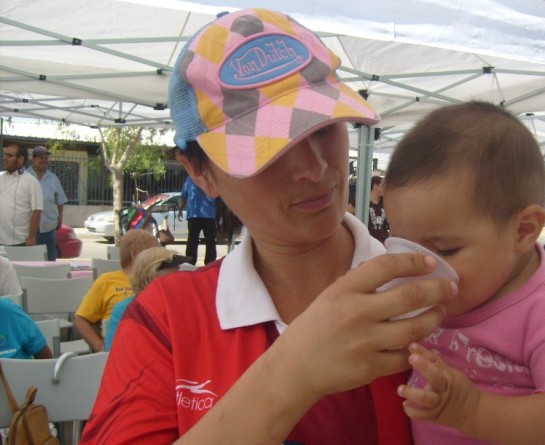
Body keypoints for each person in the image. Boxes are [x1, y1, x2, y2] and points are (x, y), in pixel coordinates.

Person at [81, 9, 453, 444]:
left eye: (323, 128)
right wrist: (292, 374)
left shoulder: (429, 289)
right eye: (269, 148)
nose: (315, 169)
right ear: (201, 173)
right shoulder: (169, 319)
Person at [385, 101, 545, 444]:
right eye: (408, 247)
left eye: (446, 250)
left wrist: (470, 410)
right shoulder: (449, 291)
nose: (424, 268)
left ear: (523, 230)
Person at [74, 229, 159, 353]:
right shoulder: (107, 281)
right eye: (152, 252)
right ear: (135, 254)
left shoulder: (158, 280)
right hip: (117, 349)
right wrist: (99, 346)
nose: (157, 256)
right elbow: (81, 320)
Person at [104, 247, 192, 351]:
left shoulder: (184, 306)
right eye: (174, 268)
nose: (179, 273)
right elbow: (113, 353)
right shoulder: (126, 310)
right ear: (155, 276)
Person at [28, 146, 67, 261]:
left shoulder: (53, 178)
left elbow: (60, 201)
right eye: (41, 158)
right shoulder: (25, 176)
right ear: (34, 159)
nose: (44, 160)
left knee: (50, 260)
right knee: (31, 261)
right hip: (29, 229)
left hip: (49, 228)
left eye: (46, 158)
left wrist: (60, 219)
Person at [0, 144, 43, 247]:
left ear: (20, 159)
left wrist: (31, 237)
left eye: (9, 156)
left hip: (20, 241)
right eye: (5, 155)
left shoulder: (31, 182)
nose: (5, 158)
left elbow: (37, 210)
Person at [177, 176, 217, 265]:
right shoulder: (211, 178)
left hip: (194, 214)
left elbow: (183, 197)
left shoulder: (190, 179)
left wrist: (180, 210)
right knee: (210, 241)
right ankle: (210, 262)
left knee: (192, 240)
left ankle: (190, 261)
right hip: (209, 214)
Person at [368, 175, 390, 243]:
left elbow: (390, 223)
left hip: (383, 240)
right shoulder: (364, 202)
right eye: (382, 185)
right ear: (375, 185)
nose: (384, 188)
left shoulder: (385, 203)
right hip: (369, 240)